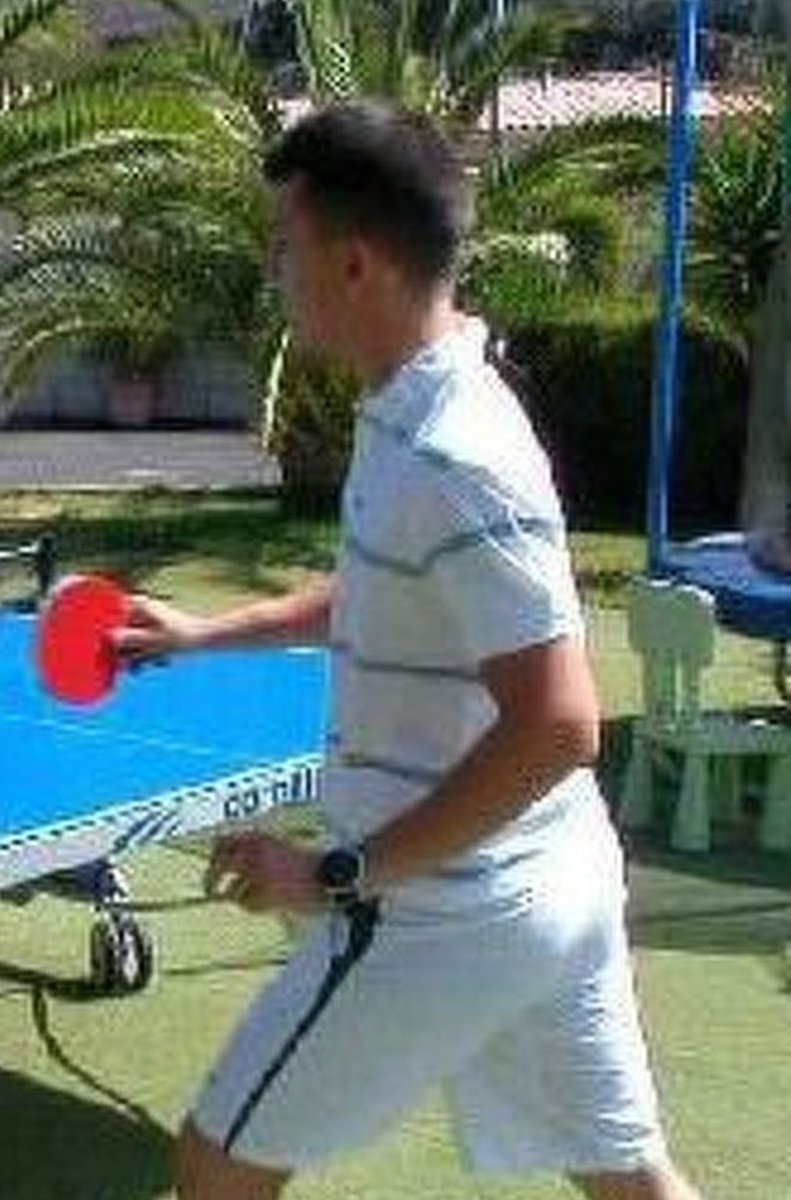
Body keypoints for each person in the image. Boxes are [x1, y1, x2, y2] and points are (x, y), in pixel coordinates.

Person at [113, 102, 704, 1200]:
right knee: (632, 1181)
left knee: (215, 1166)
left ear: (354, 266)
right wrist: (205, 634)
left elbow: (560, 724)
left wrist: (335, 873)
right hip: (553, 886)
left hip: (444, 909)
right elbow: (390, 591)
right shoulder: (416, 411)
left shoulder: (453, 452)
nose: (276, 273)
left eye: (285, 246)